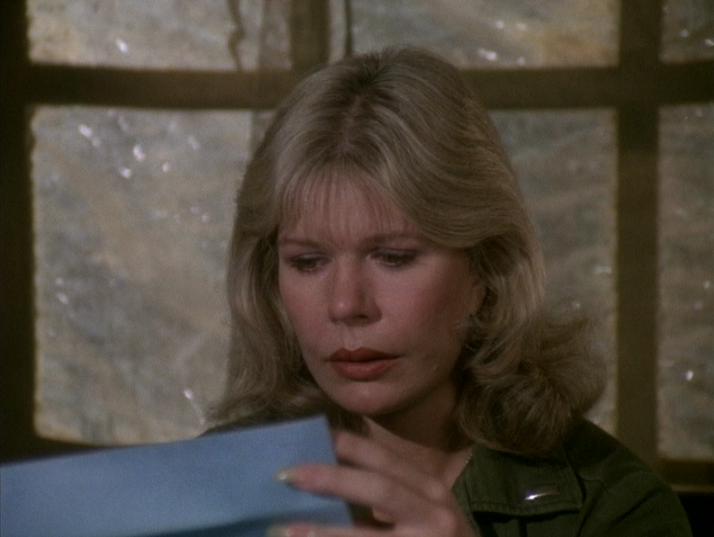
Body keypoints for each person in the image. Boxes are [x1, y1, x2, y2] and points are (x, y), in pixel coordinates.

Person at [210, 47, 691, 536]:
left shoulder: (618, 511)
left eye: (393, 257)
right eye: (308, 262)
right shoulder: (214, 481)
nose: (346, 305)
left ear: (486, 270)